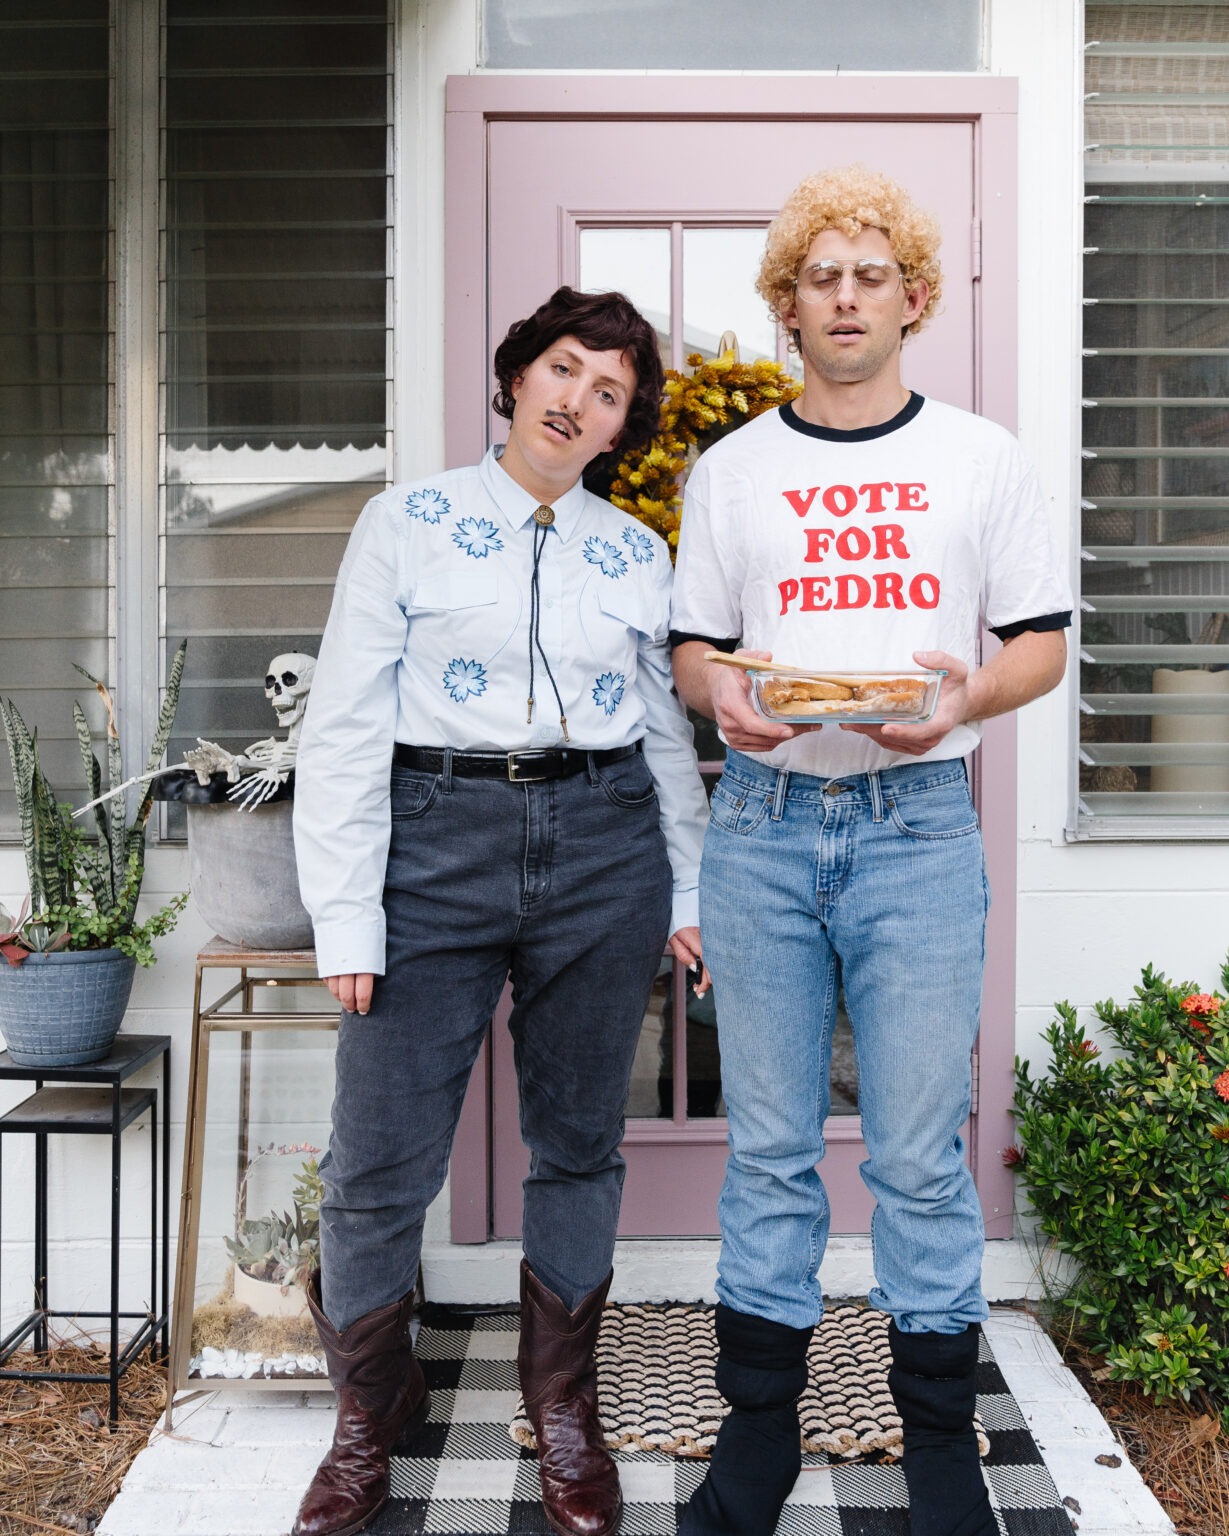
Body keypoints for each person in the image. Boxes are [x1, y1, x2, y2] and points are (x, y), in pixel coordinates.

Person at [670, 166, 1071, 1536]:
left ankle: (941, 1441)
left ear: (912, 296)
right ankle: (758, 1435)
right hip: (764, 828)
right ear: (787, 303)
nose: (843, 298)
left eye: (868, 275)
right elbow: (692, 647)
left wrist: (962, 699)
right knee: (770, 1147)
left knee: (914, 1150)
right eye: (817, 277)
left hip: (917, 833)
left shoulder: (979, 457)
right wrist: (715, 692)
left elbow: (1040, 644)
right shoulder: (734, 473)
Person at [290, 286, 710, 1536]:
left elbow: (665, 740)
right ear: (517, 373)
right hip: (435, 844)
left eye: (608, 392)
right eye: (562, 367)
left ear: (616, 428)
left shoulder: (636, 553)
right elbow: (348, 724)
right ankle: (367, 1417)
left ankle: (562, 1410)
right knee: (377, 1162)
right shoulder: (404, 522)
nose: (575, 398)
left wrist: (683, 889)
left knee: (579, 1139)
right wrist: (346, 915)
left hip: (601, 848)